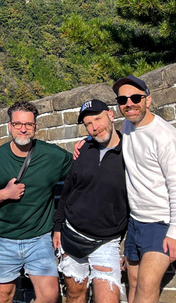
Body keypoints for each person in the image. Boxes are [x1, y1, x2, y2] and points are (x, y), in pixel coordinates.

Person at [0, 100, 73, 303]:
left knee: (50, 296)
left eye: (28, 124)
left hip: (39, 238)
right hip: (3, 238)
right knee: (4, 296)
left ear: (36, 127)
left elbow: (80, 170)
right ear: (9, 126)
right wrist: (5, 194)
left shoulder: (53, 156)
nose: (23, 129)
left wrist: (85, 146)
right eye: (17, 124)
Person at [113, 75, 176, 303]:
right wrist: (86, 142)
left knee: (147, 285)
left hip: (161, 221)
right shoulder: (127, 126)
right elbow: (110, 139)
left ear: (148, 100)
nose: (129, 104)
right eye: (122, 100)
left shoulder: (167, 138)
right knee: (133, 282)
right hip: (136, 220)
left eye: (135, 98)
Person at [53, 99, 128, 303]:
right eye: (88, 124)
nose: (95, 127)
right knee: (75, 295)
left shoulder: (130, 151)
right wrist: (57, 227)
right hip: (72, 235)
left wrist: (130, 243)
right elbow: (68, 189)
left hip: (106, 241)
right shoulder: (84, 150)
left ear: (110, 115)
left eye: (98, 119)